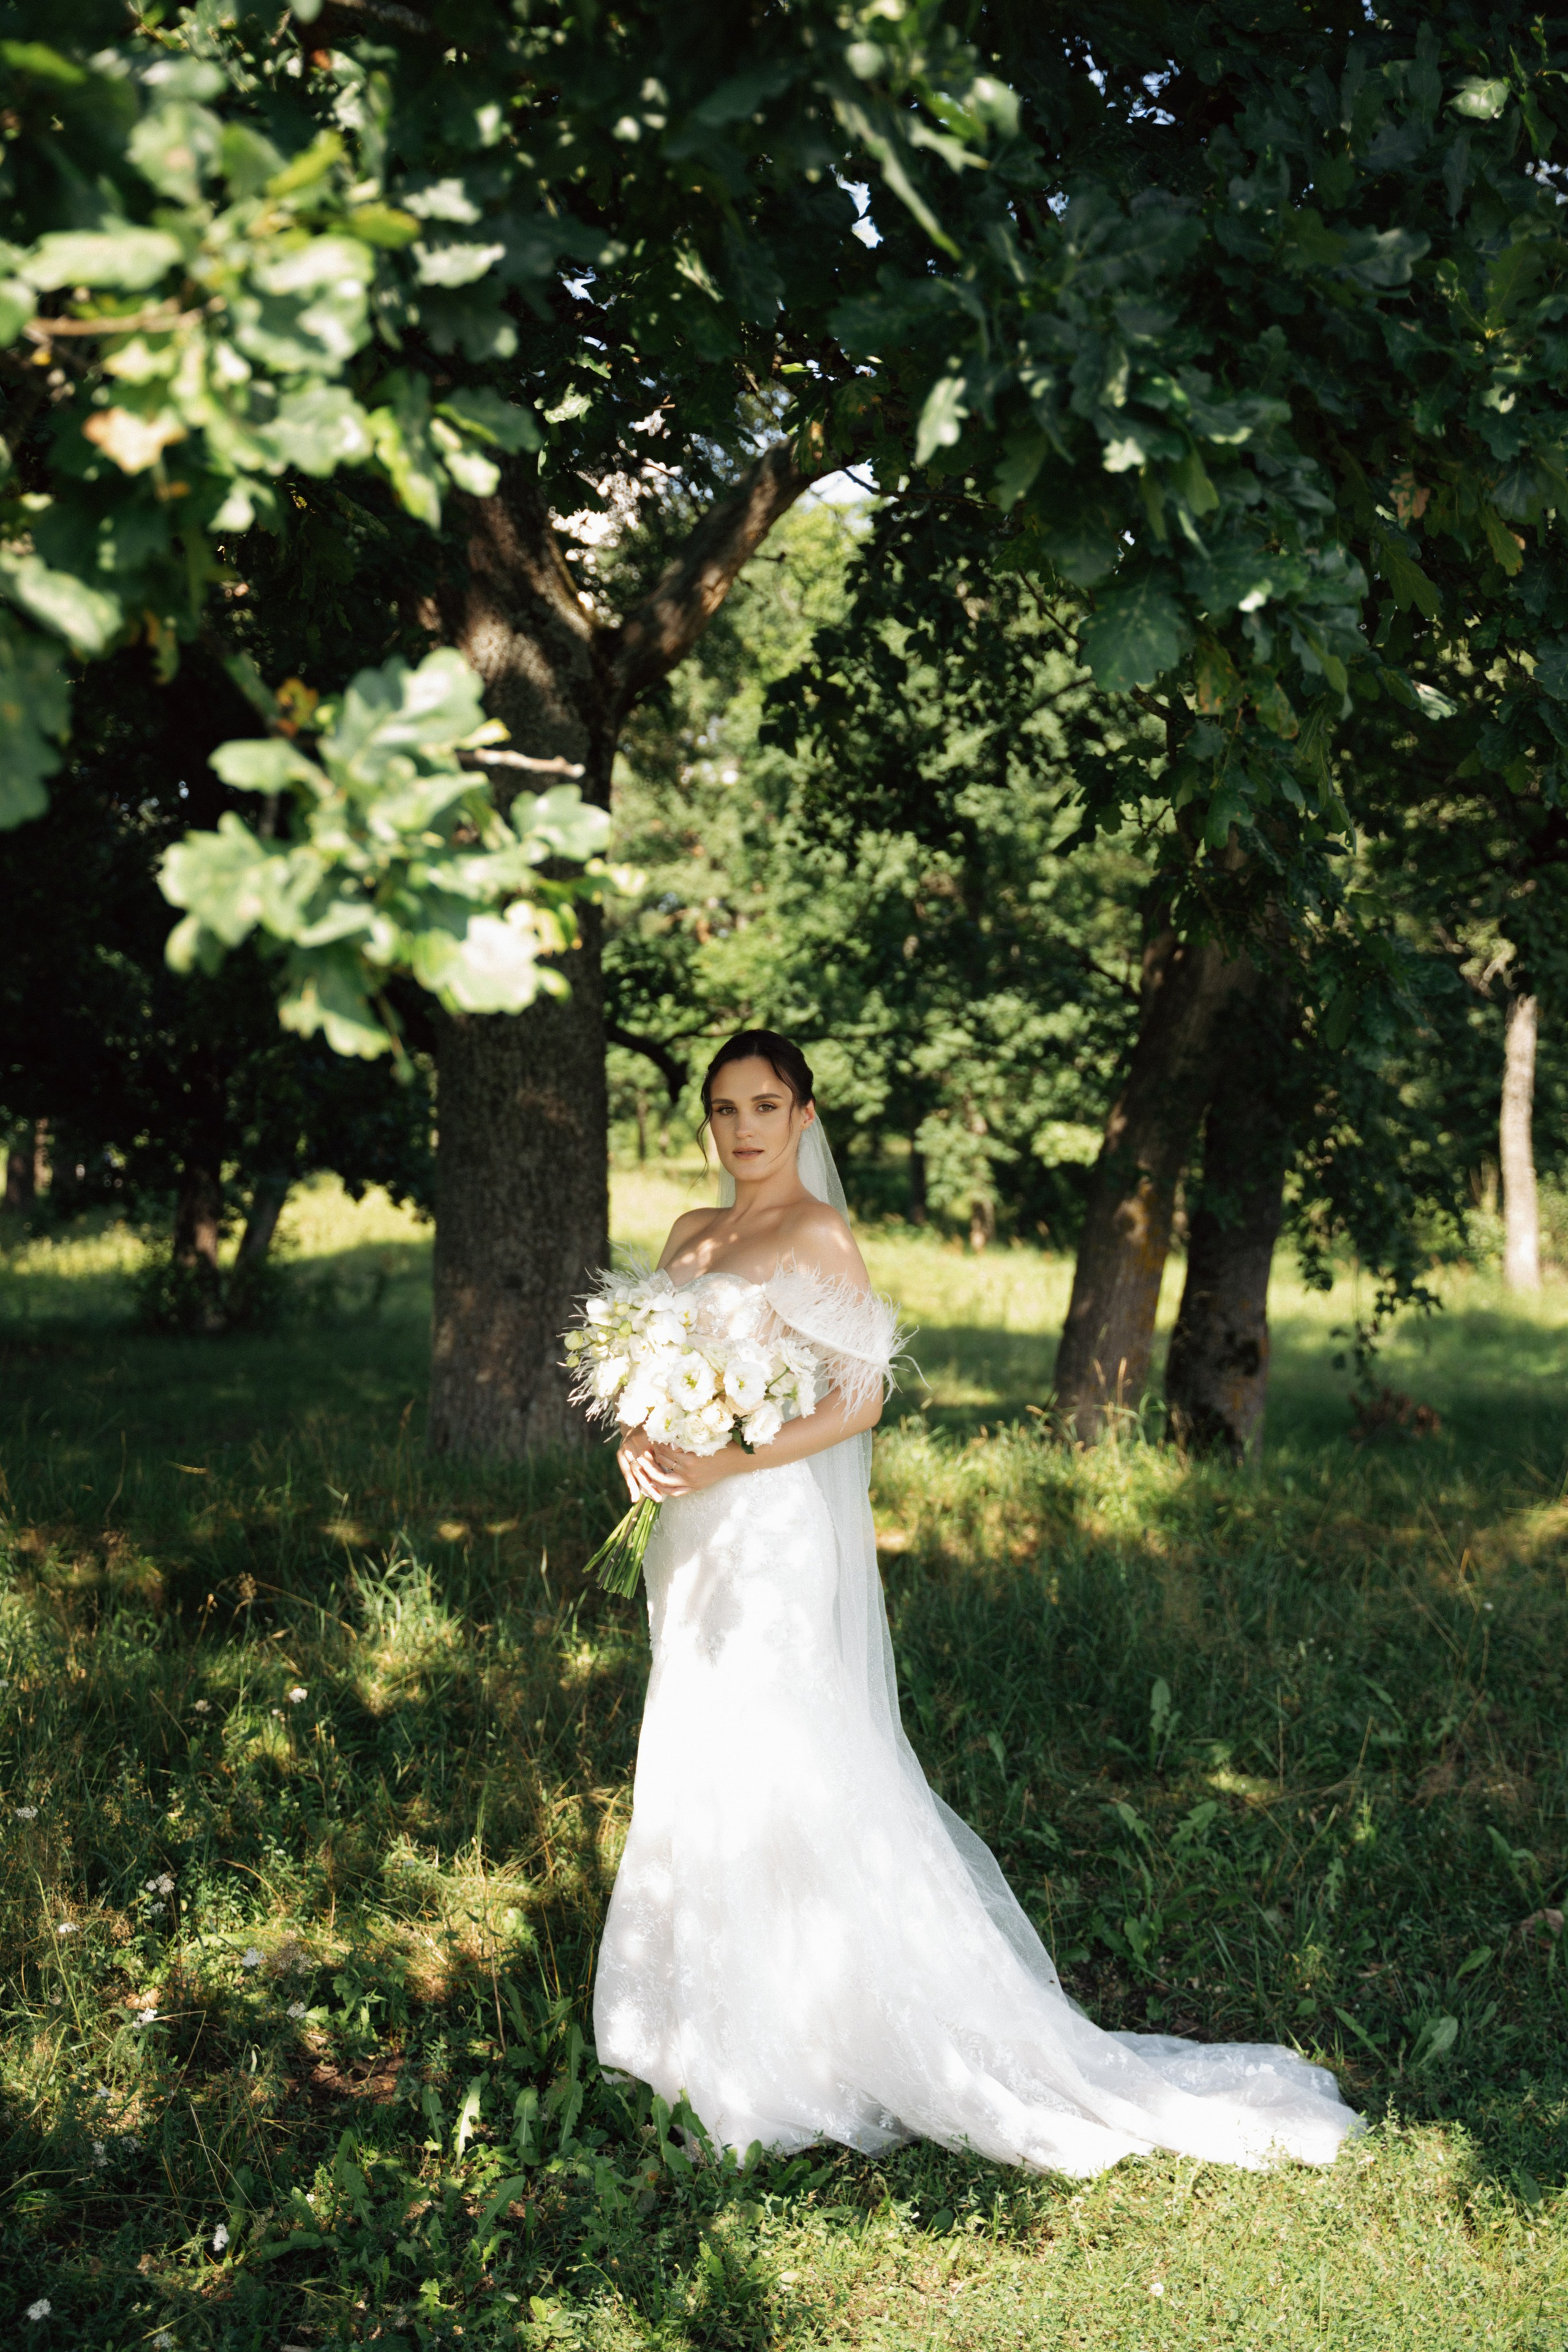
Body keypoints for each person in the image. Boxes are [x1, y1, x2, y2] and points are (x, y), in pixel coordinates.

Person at [591, 1028, 1359, 2176]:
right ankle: (692, 2017)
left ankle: (807, 2034)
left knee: (786, 1751)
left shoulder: (817, 1236)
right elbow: (642, 1375)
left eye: (764, 1105)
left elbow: (857, 1405)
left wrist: (729, 1458)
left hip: (765, 1526)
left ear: (804, 1116)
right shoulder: (692, 1235)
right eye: (723, 1109)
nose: (741, 1128)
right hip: (691, 1528)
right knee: (693, 1738)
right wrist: (641, 1447)